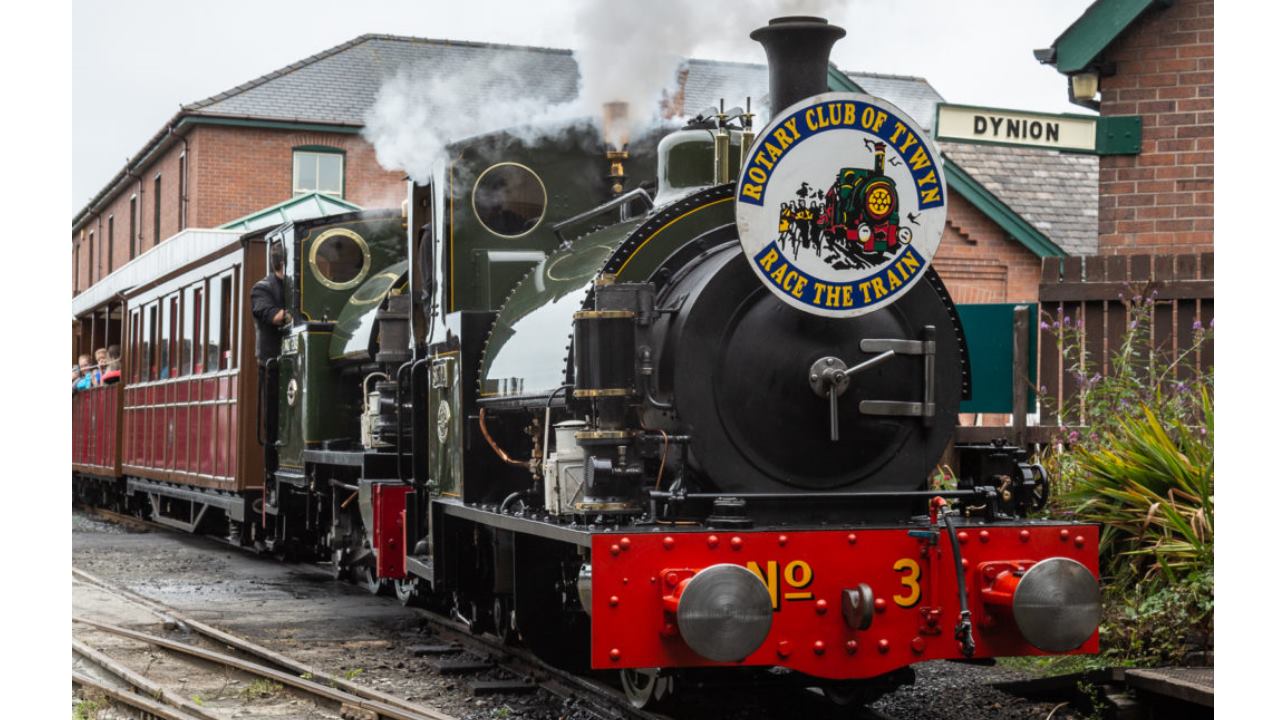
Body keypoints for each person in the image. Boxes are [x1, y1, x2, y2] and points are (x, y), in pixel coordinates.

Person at [251, 243, 291, 470]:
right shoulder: (262, 288)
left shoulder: (295, 284)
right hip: (274, 366)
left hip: (295, 364)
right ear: (284, 263)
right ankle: (272, 472)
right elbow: (272, 315)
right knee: (273, 423)